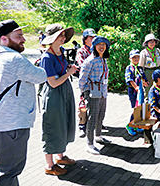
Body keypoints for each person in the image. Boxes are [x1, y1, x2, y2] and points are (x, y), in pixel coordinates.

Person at [0, 19, 47, 185]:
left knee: (2, 170)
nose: (24, 39)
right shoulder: (13, 59)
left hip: (0, 124)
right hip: (11, 127)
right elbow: (41, 76)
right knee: (8, 173)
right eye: (19, 36)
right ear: (4, 39)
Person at [39, 23, 78, 176]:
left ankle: (60, 157)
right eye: (61, 35)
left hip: (64, 91)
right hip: (54, 95)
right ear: (53, 38)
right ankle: (49, 166)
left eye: (63, 35)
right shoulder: (47, 57)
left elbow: (60, 72)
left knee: (64, 122)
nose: (64, 38)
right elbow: (53, 83)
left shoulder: (60, 52)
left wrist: (68, 70)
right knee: (52, 127)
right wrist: (70, 73)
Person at [79, 36, 111, 155]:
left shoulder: (103, 59)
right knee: (92, 118)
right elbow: (82, 79)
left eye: (104, 44)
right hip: (92, 92)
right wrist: (83, 93)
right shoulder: (90, 60)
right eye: (99, 44)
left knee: (101, 114)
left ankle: (98, 136)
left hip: (102, 91)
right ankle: (89, 144)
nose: (102, 47)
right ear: (94, 46)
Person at [75, 28, 96, 138]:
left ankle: (97, 124)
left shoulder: (96, 50)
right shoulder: (81, 51)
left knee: (96, 102)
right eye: (90, 37)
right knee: (83, 104)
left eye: (94, 37)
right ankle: (82, 126)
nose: (93, 39)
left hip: (96, 82)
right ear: (85, 39)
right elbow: (83, 65)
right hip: (86, 82)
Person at [125, 49, 149, 135]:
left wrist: (146, 82)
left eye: (137, 57)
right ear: (130, 58)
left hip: (141, 91)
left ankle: (137, 125)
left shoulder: (140, 68)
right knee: (136, 108)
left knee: (140, 108)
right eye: (134, 57)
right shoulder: (129, 68)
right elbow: (130, 80)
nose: (136, 59)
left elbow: (143, 77)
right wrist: (136, 87)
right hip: (134, 91)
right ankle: (129, 125)